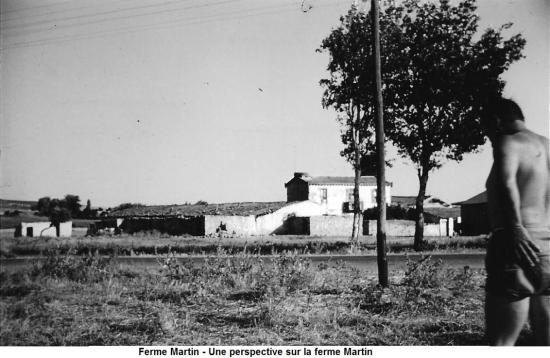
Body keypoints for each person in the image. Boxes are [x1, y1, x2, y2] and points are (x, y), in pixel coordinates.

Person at [483, 97, 550, 346]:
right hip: (547, 249)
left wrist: (516, 228)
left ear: (496, 121)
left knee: (500, 344)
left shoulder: (508, 143)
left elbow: (507, 184)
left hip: (515, 247)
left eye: (486, 128)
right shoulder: (547, 145)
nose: (487, 135)